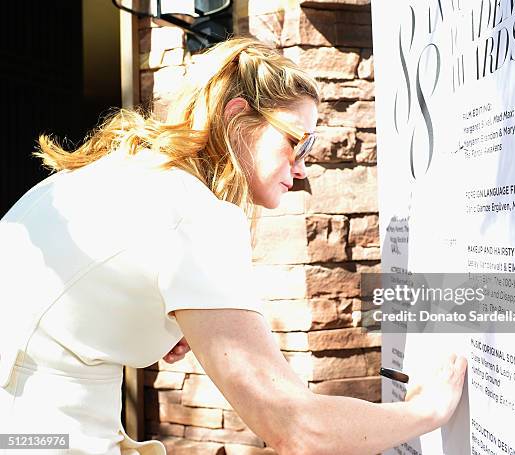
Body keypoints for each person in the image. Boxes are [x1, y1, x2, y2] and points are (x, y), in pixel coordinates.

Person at [0, 37, 466, 455]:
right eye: (299, 143)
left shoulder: (112, 174)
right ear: (238, 115)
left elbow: (70, 313)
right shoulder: (195, 213)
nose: (304, 167)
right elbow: (298, 429)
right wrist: (425, 412)